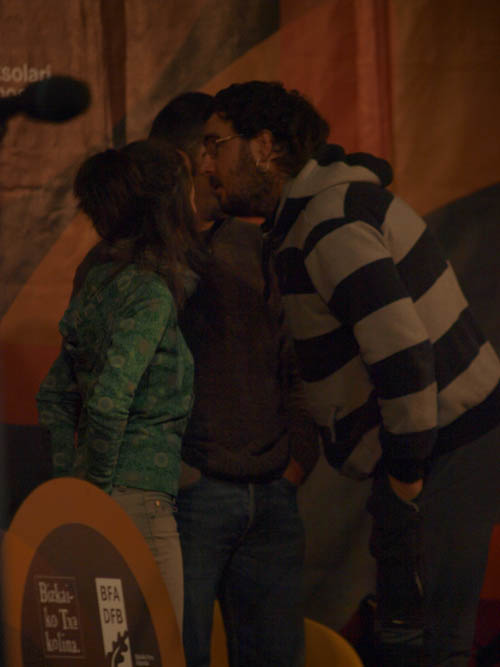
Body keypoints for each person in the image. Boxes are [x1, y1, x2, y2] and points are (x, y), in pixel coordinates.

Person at [202, 80, 500, 666]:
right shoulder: (315, 213)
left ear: (263, 146)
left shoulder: (328, 223)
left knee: (428, 643)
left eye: (216, 145)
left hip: (444, 444)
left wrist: (404, 481)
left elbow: (404, 356)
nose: (207, 164)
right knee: (419, 635)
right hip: (438, 443)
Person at [148, 92, 320, 667]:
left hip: (272, 497)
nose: (213, 163)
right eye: (208, 149)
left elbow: (297, 361)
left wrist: (294, 463)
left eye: (216, 148)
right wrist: (182, 476)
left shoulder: (259, 246)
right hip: (186, 501)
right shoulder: (135, 260)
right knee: (177, 655)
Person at [36, 140, 204, 631]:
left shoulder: (98, 283)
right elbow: (108, 401)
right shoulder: (149, 292)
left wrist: (72, 484)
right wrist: (95, 497)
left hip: (104, 494)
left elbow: (54, 396)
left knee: (113, 651)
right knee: (158, 649)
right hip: (138, 503)